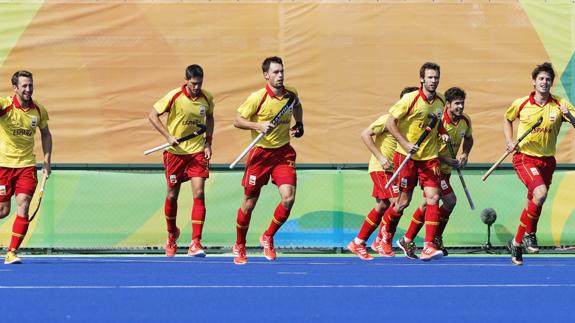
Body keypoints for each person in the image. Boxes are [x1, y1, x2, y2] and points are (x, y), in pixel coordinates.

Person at [232, 56, 304, 265]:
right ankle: (240, 244)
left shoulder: (291, 94)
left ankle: (268, 236)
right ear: (266, 75)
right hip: (260, 155)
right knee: (249, 203)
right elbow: (237, 121)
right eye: (275, 72)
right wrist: (259, 126)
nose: (280, 75)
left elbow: (297, 106)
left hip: (283, 153)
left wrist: (299, 123)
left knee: (288, 198)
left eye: (282, 71)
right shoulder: (258, 98)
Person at [504, 62, 575, 265]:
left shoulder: (559, 104)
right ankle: (530, 234)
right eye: (541, 79)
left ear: (552, 83)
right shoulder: (522, 103)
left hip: (547, 161)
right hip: (524, 157)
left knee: (535, 201)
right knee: (540, 193)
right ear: (533, 82)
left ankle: (517, 244)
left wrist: (568, 115)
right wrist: (509, 140)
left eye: (548, 79)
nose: (544, 82)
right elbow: (507, 119)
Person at [382, 62, 449, 261]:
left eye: (436, 77)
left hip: (429, 158)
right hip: (406, 156)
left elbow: (436, 123)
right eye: (430, 77)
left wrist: (443, 133)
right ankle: (385, 235)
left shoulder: (441, 100)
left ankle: (428, 245)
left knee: (434, 198)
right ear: (422, 79)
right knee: (402, 203)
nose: (433, 80)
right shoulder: (409, 99)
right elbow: (390, 122)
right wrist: (405, 142)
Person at [148, 64, 215, 257]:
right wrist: (167, 136)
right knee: (172, 196)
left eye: (200, 83)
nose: (197, 87)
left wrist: (208, 142)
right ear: (186, 80)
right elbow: (152, 115)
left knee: (200, 192)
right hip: (175, 153)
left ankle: (196, 242)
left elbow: (210, 118)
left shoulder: (207, 97)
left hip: (197, 152)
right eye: (194, 83)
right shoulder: (174, 96)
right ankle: (171, 234)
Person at [400, 87, 474, 256]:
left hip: (447, 171)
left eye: (462, 103)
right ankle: (434, 238)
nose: (460, 107)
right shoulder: (440, 122)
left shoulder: (465, 121)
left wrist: (465, 154)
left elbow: (469, 138)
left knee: (427, 204)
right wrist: (445, 159)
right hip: (434, 167)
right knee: (450, 200)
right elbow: (428, 148)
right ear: (447, 105)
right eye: (457, 104)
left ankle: (408, 238)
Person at [347, 86, 418, 260]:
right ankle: (384, 240)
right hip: (381, 169)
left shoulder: (412, 125)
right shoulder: (387, 119)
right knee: (398, 202)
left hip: (396, 171)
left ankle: (359, 241)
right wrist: (380, 157)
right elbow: (365, 134)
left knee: (382, 207)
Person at [0, 70, 52, 264]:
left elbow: (46, 134)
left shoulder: (38, 110)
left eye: (30, 85)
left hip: (26, 167)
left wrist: (47, 161)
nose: (28, 89)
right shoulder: (5, 105)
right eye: (24, 86)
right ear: (15, 88)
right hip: (3, 166)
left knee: (23, 204)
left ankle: (11, 251)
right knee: (3, 211)